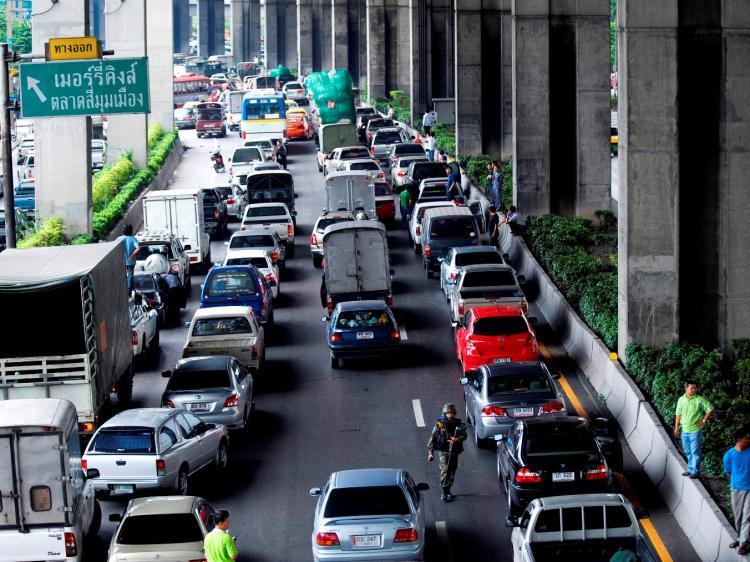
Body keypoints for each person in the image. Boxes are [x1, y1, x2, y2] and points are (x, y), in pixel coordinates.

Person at [427, 403, 467, 502]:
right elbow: (433, 438)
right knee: (445, 471)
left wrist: (456, 439)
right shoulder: (440, 424)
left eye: (451, 413)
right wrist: (430, 453)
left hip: (454, 451)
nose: (450, 415)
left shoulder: (458, 423)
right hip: (444, 451)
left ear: (454, 413)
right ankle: (444, 492)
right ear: (444, 413)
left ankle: (448, 490)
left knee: (452, 471)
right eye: (448, 413)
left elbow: (464, 435)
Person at [674, 380, 714, 478]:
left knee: (695, 451)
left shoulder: (700, 399)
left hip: (695, 430)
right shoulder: (681, 399)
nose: (694, 390)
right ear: (686, 388)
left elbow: (710, 409)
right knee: (687, 450)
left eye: (695, 388)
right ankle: (690, 469)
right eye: (692, 388)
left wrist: (703, 421)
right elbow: (678, 414)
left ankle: (695, 471)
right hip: (684, 430)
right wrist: (676, 428)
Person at [724, 426, 750, 554]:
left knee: (747, 516)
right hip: (737, 489)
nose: (749, 440)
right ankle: (740, 538)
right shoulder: (729, 455)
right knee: (738, 516)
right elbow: (728, 471)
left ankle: (743, 544)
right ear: (739, 439)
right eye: (747, 438)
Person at [117, 224, 140, 291]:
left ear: (123, 230)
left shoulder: (119, 239)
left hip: (121, 261)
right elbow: (138, 248)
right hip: (130, 261)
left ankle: (122, 288)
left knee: (121, 275)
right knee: (130, 275)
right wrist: (131, 256)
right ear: (131, 231)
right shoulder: (133, 239)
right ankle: (129, 290)